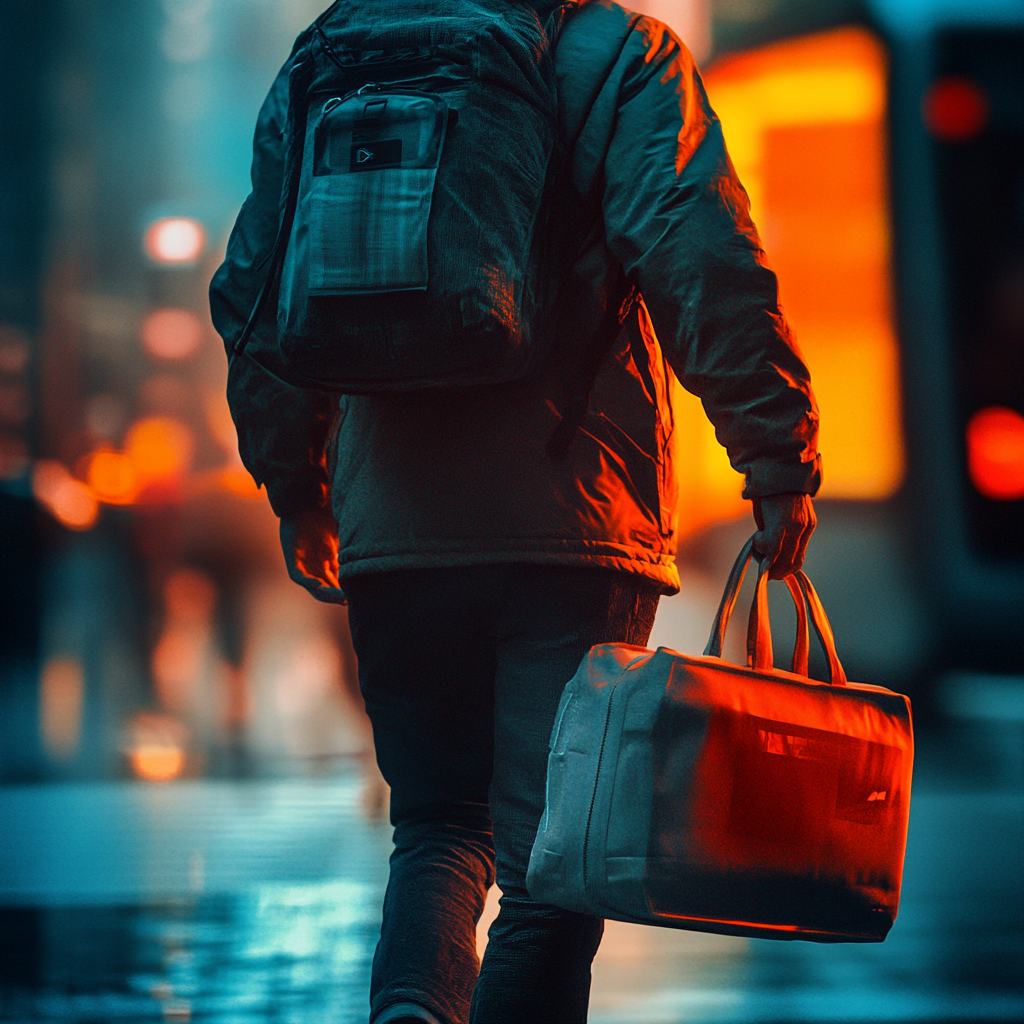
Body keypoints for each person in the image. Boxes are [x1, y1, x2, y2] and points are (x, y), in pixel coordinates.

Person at [210, 2, 820, 1021]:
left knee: (439, 828)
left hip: (394, 530)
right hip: (571, 522)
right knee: (553, 861)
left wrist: (297, 486)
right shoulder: (619, 55)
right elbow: (694, 249)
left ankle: (411, 1008)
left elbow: (254, 290)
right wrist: (774, 451)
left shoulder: (333, 53)